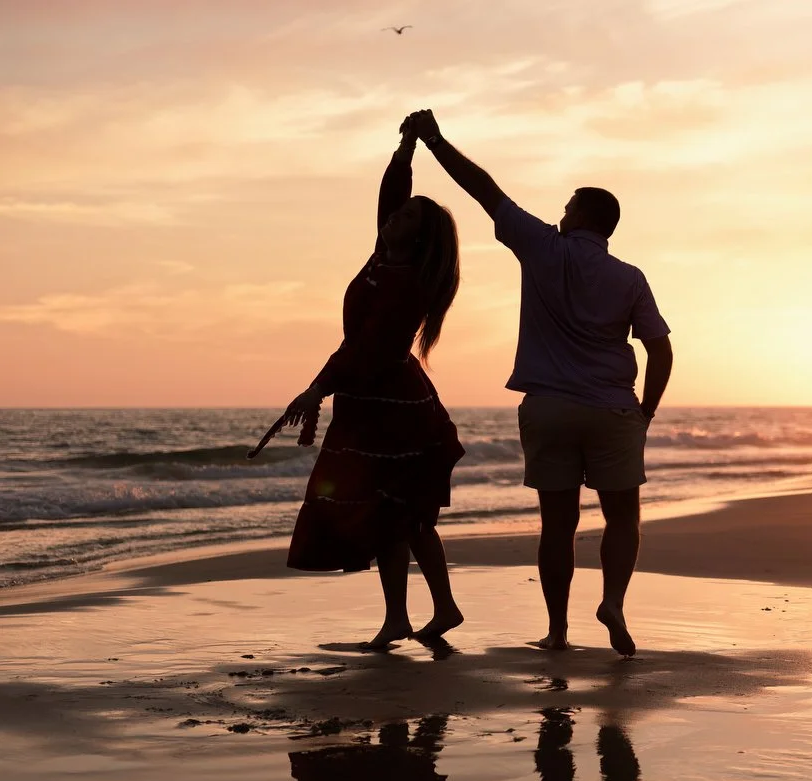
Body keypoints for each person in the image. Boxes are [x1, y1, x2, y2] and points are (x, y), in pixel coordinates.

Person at [406, 109, 674, 656]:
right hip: (612, 408)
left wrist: (435, 140)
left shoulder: (543, 248)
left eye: (569, 205)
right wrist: (646, 410)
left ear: (584, 217)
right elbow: (660, 348)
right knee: (623, 514)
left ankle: (557, 631)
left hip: (549, 407)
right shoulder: (629, 277)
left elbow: (486, 191)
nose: (561, 212)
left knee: (558, 522)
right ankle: (614, 603)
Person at [279, 114, 466, 650]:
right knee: (391, 516)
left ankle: (438, 609)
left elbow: (365, 348)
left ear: (419, 233)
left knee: (405, 517)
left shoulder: (409, 284)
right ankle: (403, 619)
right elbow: (391, 194)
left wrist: (316, 388)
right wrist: (406, 146)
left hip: (395, 411)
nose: (394, 217)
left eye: (406, 216)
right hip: (368, 404)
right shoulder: (385, 255)